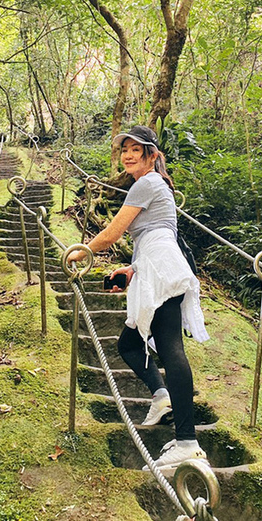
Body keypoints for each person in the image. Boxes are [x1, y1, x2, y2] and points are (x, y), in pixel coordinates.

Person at [67, 125, 209, 470]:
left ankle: (188, 442)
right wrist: (132, 270)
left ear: (151, 154)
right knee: (129, 344)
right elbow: (155, 234)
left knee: (171, 347)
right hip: (154, 262)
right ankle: (161, 397)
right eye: (125, 149)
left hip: (160, 264)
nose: (128, 155)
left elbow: (113, 232)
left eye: (136, 149)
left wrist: (81, 252)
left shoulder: (146, 183)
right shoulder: (149, 186)